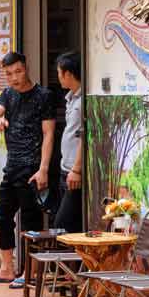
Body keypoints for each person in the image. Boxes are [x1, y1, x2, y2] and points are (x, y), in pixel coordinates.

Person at [0, 52, 55, 286]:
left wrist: (43, 169)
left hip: (32, 166)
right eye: (9, 73)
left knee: (31, 221)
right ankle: (7, 268)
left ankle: (29, 273)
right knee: (2, 217)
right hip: (12, 166)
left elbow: (49, 133)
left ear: (26, 68)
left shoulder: (44, 96)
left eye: (18, 72)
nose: (14, 77)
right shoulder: (8, 94)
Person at [53, 52, 84, 233]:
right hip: (65, 170)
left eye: (59, 73)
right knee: (69, 226)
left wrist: (76, 169)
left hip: (74, 172)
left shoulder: (82, 102)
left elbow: (83, 137)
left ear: (68, 74)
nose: (58, 77)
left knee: (62, 225)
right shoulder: (70, 98)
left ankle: (71, 262)